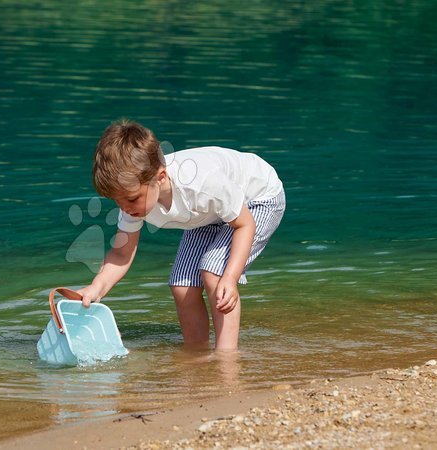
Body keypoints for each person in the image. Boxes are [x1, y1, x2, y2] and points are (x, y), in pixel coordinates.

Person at [77, 119, 285, 350]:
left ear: (161, 177)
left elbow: (244, 225)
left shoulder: (201, 184)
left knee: (213, 272)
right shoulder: (134, 202)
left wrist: (231, 277)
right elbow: (121, 253)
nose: (124, 207)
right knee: (182, 285)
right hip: (209, 213)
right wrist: (96, 287)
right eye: (117, 200)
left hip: (258, 199)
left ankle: (227, 359)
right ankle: (195, 354)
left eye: (131, 198)